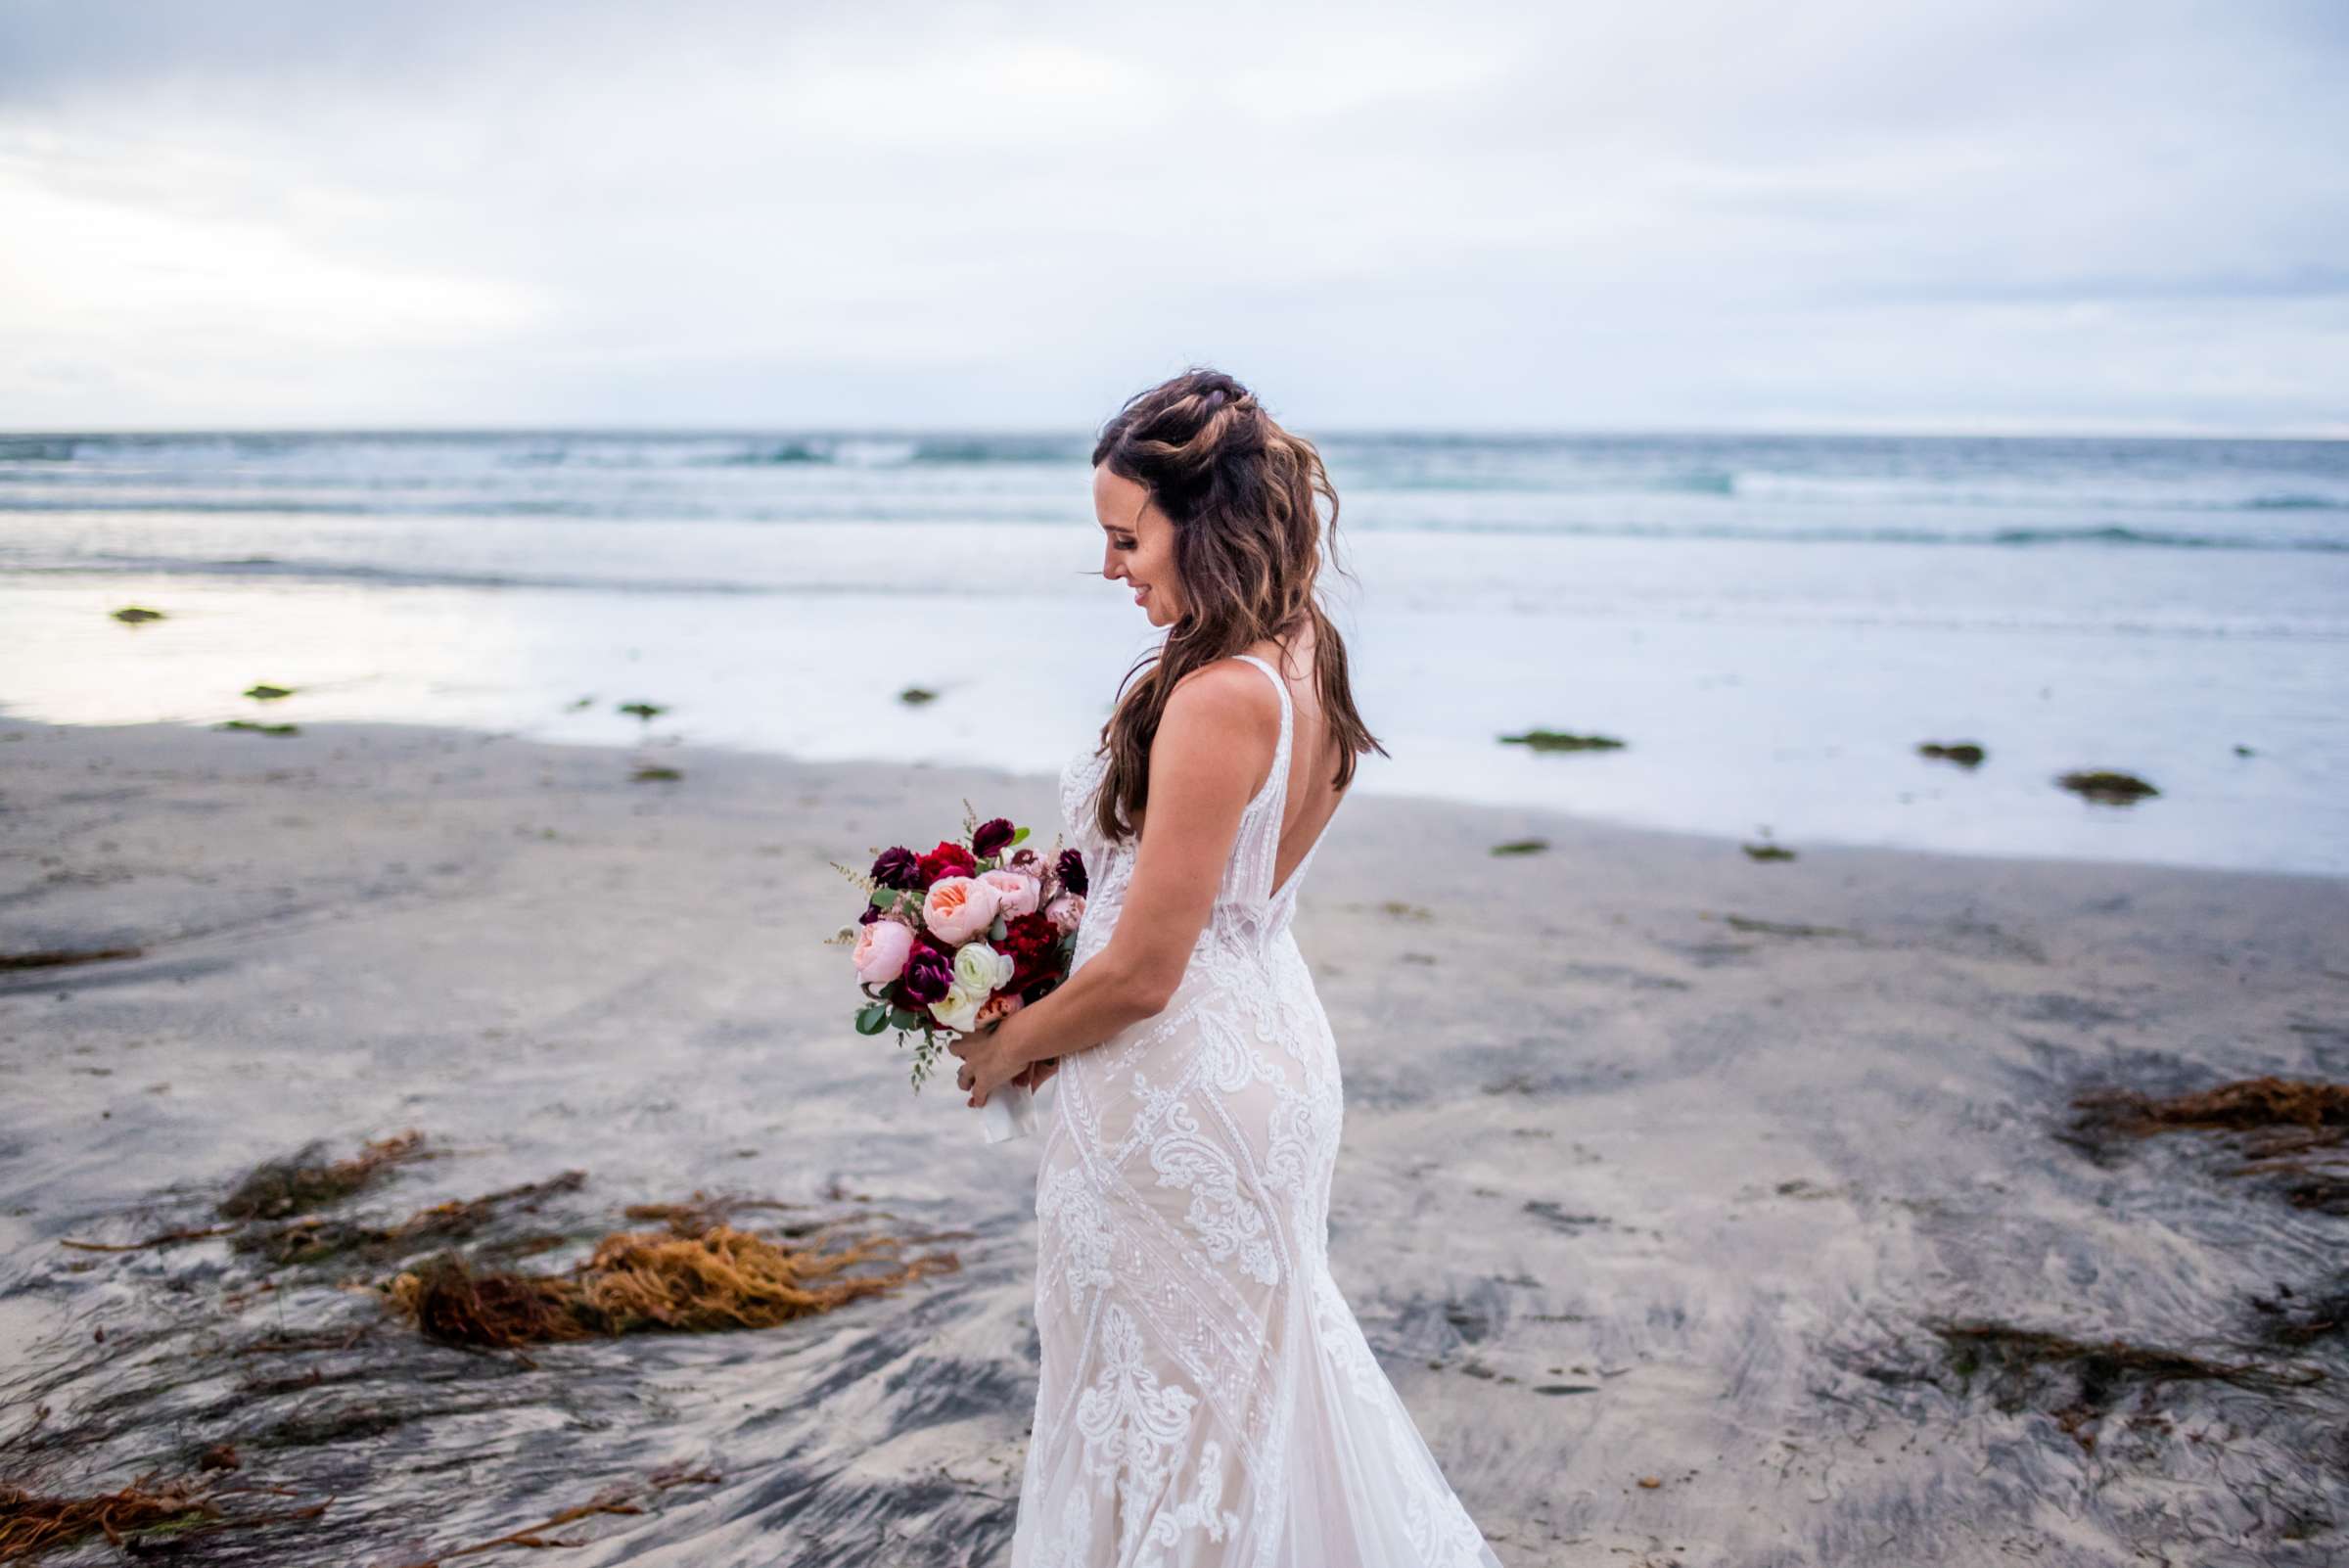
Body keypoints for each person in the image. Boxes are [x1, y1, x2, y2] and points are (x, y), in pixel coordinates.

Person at [945, 369, 1506, 1566]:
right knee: (1247, 1402)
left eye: (1124, 538)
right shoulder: (1311, 654)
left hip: (1177, 1078)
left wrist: (1008, 1044)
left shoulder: (1212, 697)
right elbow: (1207, 908)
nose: (1111, 570)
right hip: (1267, 1052)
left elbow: (1150, 968)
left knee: (1171, 1415)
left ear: (1203, 520)